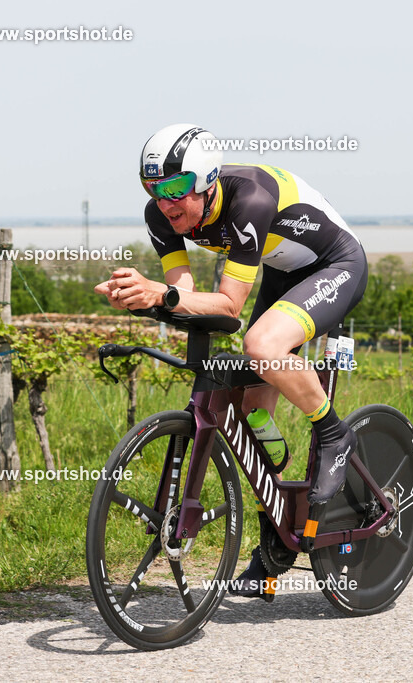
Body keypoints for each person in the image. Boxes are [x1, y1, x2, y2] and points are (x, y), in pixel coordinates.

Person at [95, 123, 368, 597]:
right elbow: (187, 298)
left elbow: (227, 307)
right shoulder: (162, 217)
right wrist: (142, 298)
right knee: (249, 414)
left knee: (261, 347)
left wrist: (163, 293)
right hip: (284, 274)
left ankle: (333, 432)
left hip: (335, 265)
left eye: (177, 189)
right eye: (153, 189)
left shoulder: (250, 201)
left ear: (206, 179)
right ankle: (277, 537)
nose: (166, 203)